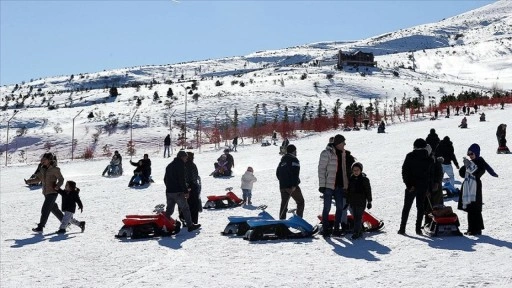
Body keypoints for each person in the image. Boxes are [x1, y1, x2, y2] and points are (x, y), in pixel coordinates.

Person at [318, 134, 355, 236]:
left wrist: (346, 185)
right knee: (327, 208)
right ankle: (325, 229)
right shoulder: (326, 153)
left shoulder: (343, 153)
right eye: (343, 142)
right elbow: (321, 169)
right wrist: (322, 185)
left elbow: (343, 170)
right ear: (338, 143)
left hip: (339, 186)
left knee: (340, 207)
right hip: (328, 185)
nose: (345, 144)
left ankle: (336, 228)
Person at [458, 144, 498, 235]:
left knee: (475, 208)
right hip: (468, 186)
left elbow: (478, 173)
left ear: (476, 153)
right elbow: (461, 173)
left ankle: (476, 229)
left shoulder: (480, 162)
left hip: (475, 187)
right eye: (468, 154)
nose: (470, 155)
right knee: (469, 208)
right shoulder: (471, 162)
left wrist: (470, 166)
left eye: (471, 153)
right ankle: (470, 228)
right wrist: (466, 166)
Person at [398, 138, 432, 235]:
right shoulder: (428, 158)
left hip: (411, 187)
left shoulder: (409, 156)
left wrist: (409, 185)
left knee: (406, 208)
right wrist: (427, 188)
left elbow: (405, 171)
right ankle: (418, 229)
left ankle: (402, 228)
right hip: (423, 186)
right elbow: (429, 175)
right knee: (420, 208)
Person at [25, 153, 64, 233]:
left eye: (44, 159)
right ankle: (66, 222)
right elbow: (39, 179)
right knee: (54, 209)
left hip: (53, 192)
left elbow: (61, 179)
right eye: (42, 159)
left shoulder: (55, 169)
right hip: (46, 192)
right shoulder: (42, 168)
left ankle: (40, 227)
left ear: (50, 160)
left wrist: (58, 186)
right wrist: (29, 181)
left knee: (45, 209)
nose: (42, 161)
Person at [164, 150, 201, 232]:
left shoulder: (169, 165)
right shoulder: (180, 165)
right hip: (178, 192)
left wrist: (169, 187)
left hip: (169, 192)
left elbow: (165, 179)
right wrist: (186, 191)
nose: (186, 159)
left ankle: (164, 225)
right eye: (185, 157)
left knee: (169, 210)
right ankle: (190, 225)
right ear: (181, 157)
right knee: (185, 208)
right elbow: (182, 180)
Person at [276, 144, 305, 220]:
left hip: (282, 186)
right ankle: (299, 221)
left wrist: (283, 181)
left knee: (284, 205)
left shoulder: (282, 161)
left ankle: (282, 224)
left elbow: (277, 173)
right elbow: (295, 173)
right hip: (291, 186)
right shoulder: (294, 159)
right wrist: (294, 185)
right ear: (293, 151)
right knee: (300, 202)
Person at [346, 162, 372, 240]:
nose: (356, 172)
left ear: (360, 170)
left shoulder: (364, 179)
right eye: (354, 170)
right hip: (353, 201)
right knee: (355, 216)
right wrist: (348, 201)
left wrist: (369, 201)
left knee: (358, 217)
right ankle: (359, 230)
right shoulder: (351, 179)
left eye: (357, 170)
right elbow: (349, 191)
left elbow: (368, 190)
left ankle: (356, 232)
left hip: (361, 201)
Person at [424, 145, 444, 227]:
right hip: (426, 186)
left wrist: (436, 183)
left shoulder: (435, 161)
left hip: (436, 187)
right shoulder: (422, 161)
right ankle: (427, 222)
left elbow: (439, 174)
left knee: (436, 204)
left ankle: (438, 221)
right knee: (427, 205)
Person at [179, 152, 202, 225]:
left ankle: (184, 219)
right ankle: (193, 221)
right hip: (191, 187)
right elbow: (193, 177)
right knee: (193, 204)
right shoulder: (191, 165)